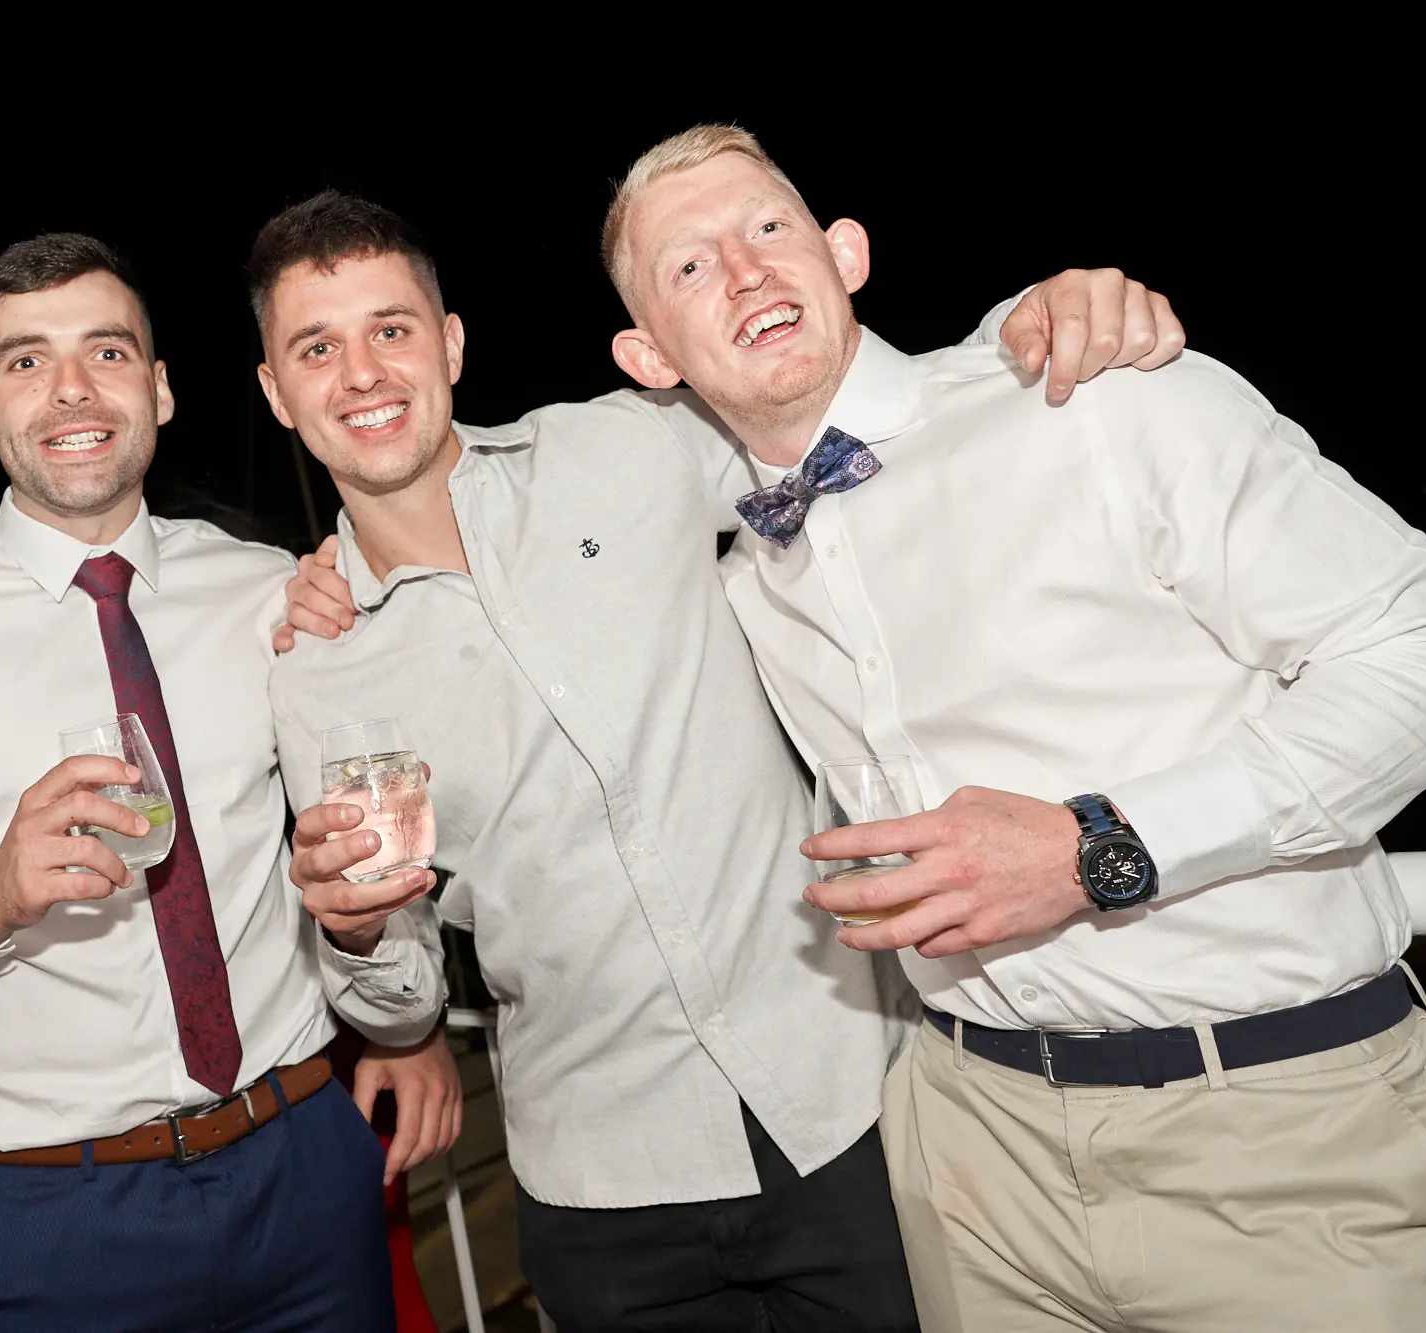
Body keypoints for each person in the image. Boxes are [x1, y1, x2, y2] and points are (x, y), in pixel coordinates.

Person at [603, 125, 1426, 1332]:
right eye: (687, 266)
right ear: (648, 356)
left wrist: (1105, 842)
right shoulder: (744, 570)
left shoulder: (1092, 402)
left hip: (1278, 1129)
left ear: (844, 252)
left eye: (767, 228)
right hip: (969, 1158)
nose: (741, 271)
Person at [261, 189, 1178, 1332]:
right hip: (601, 1190)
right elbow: (396, 982)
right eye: (316, 345)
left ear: (447, 343)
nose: (361, 372)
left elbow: (841, 411)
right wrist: (352, 930)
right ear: (275, 389)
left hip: (850, 1105)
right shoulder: (317, 661)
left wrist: (1030, 322)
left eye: (390, 328)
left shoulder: (624, 449)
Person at [0, 232, 455, 1332]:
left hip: (306, 1167)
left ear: (160, 390)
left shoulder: (272, 591)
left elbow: (367, 857)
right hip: (53, 1215)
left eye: (107, 353)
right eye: (26, 361)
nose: (70, 390)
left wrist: (413, 1029)